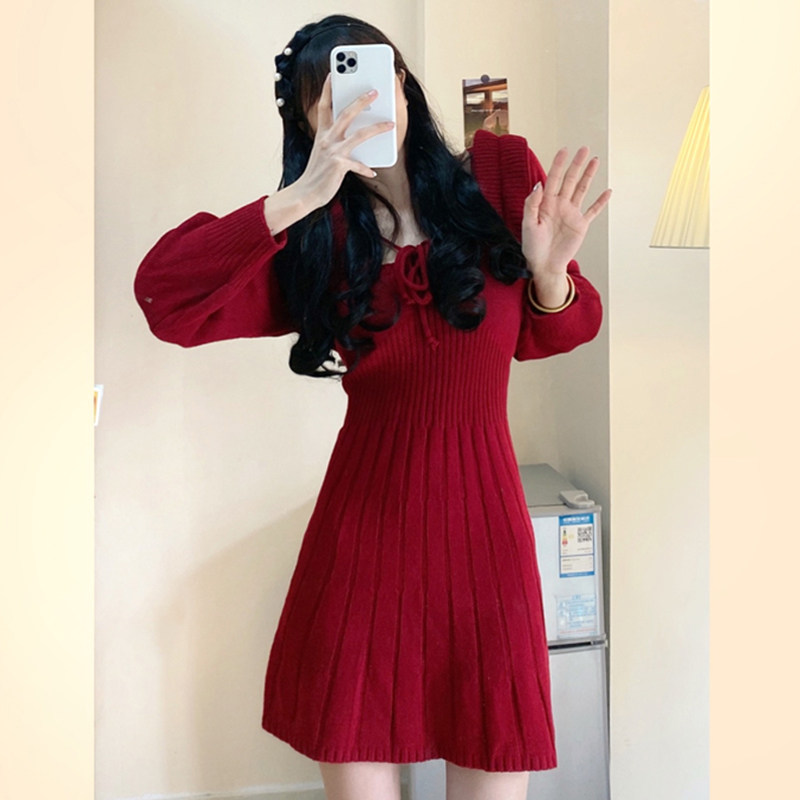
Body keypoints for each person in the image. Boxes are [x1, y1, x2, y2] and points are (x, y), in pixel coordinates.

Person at [134, 13, 611, 800]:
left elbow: (558, 330)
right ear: (308, 123)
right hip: (362, 554)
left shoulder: (497, 179)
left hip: (487, 549)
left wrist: (549, 274)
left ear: (404, 87)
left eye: (377, 76)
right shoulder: (315, 239)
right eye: (332, 96)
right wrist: (298, 197)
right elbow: (166, 299)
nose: (364, 102)